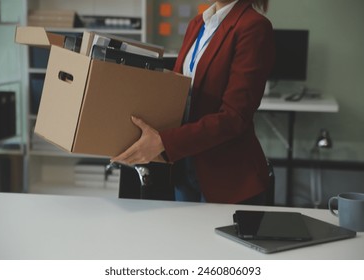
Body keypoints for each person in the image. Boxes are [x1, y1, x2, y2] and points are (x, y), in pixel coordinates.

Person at [111, 0, 275, 205]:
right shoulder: (198, 23)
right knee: (185, 235)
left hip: (226, 176)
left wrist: (164, 142)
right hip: (184, 163)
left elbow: (235, 118)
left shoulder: (253, 26)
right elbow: (179, 92)